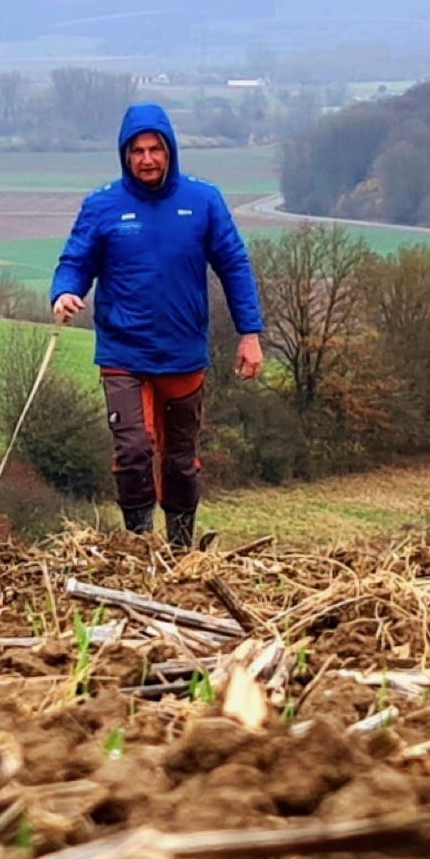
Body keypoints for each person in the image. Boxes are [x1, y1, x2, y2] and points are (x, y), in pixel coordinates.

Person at [50, 102, 264, 547]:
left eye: (155, 149)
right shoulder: (103, 205)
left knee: (181, 460)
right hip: (124, 353)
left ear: (170, 152)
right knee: (132, 451)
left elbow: (235, 265)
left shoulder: (203, 201)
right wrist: (65, 292)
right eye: (137, 151)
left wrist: (250, 333)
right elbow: (75, 261)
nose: (147, 159)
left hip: (183, 352)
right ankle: (140, 546)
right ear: (125, 156)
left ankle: (180, 547)